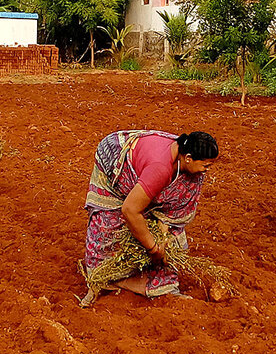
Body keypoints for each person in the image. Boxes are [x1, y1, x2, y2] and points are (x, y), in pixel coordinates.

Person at [79, 130, 219, 303]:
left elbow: (169, 214)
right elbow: (129, 210)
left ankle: (160, 283)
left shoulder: (183, 158)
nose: (206, 171)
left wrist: (163, 233)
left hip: (147, 168)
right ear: (188, 157)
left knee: (166, 235)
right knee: (113, 226)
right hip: (116, 162)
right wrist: (153, 248)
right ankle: (104, 278)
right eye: (205, 166)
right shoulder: (160, 168)